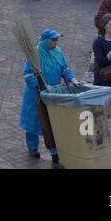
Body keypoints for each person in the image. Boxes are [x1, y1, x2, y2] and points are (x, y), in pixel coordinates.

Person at [20, 28, 74, 163]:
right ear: (45, 41)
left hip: (52, 94)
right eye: (54, 40)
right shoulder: (35, 54)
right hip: (35, 95)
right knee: (33, 121)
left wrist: (71, 79)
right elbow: (28, 75)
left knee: (52, 123)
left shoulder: (58, 52)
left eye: (57, 39)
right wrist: (41, 86)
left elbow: (65, 68)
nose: (56, 42)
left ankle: (54, 152)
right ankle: (32, 147)